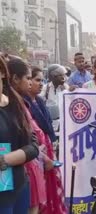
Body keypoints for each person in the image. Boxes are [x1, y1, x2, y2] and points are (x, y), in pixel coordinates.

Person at [8, 60, 67, 214]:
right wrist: (5, 160)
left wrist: (36, 152)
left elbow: (32, 137)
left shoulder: (18, 104)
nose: (31, 83)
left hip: (26, 167)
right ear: (14, 78)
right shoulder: (9, 106)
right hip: (10, 172)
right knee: (9, 205)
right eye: (29, 78)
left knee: (32, 206)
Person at [0, 57, 39, 214]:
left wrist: (4, 160)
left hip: (19, 185)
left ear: (2, 72)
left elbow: (33, 146)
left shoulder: (15, 104)